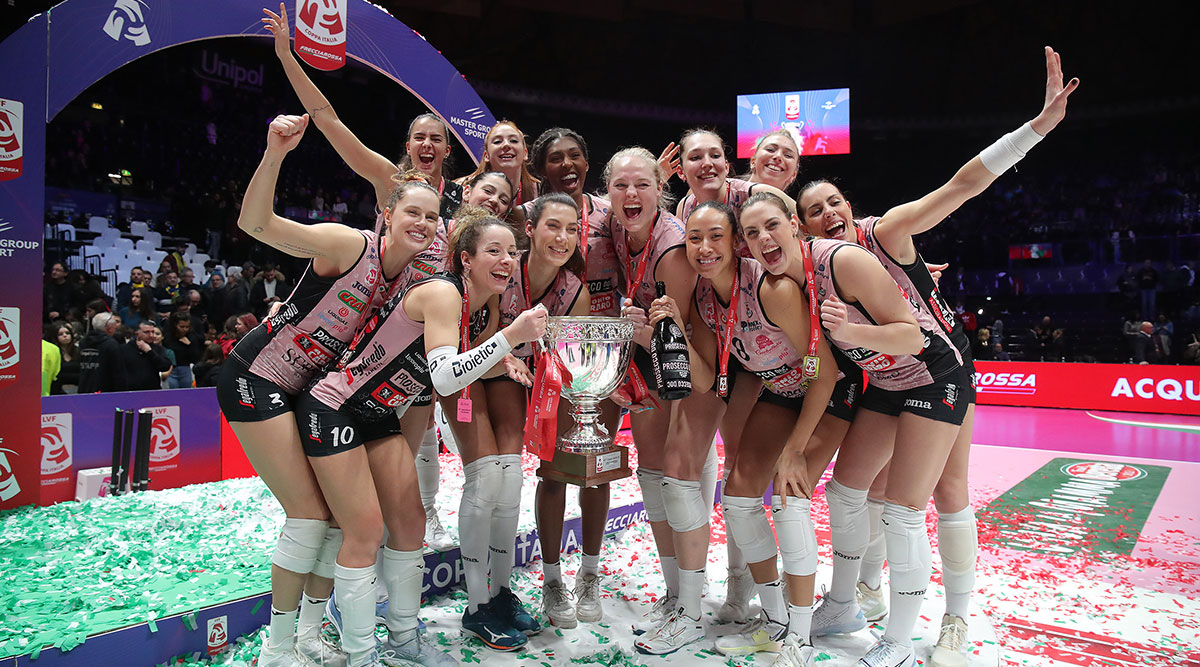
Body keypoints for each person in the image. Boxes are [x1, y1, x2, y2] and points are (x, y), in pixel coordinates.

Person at [788, 47, 1077, 667]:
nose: (829, 214)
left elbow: (963, 185)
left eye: (835, 202)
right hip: (887, 378)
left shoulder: (885, 232)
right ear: (802, 229)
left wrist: (1035, 129)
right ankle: (849, 600)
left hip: (941, 367)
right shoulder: (806, 275)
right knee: (849, 492)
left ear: (851, 206)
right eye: (815, 211)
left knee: (946, 493)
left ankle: (954, 620)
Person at [215, 113, 434, 667]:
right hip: (256, 377)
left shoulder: (413, 284)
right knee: (310, 515)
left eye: (433, 217)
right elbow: (255, 224)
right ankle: (276, 649)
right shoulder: (346, 245)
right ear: (387, 214)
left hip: (306, 393)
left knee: (337, 519)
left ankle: (310, 637)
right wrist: (275, 152)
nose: (424, 223)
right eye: (412, 211)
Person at [294, 213, 545, 664]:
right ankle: (359, 651)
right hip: (334, 407)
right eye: (494, 250)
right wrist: (511, 338)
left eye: (512, 252)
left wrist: (503, 357)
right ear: (464, 259)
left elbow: (458, 365)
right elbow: (447, 379)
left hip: (377, 414)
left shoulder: (478, 305)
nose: (507, 260)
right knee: (365, 532)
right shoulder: (445, 292)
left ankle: (404, 640)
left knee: (409, 528)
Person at [648, 200, 837, 659]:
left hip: (829, 391)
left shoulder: (772, 289)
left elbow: (821, 366)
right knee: (737, 499)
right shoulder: (705, 298)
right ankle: (774, 621)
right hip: (783, 390)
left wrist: (794, 448)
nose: (705, 247)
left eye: (716, 236)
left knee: (788, 501)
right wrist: (673, 328)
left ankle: (801, 636)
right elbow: (707, 379)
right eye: (694, 238)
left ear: (736, 242)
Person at [265, 4, 463, 220]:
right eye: (419, 137)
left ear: (447, 151)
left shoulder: (461, 196)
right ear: (408, 147)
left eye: (435, 139)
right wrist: (285, 55)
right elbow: (327, 120)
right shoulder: (391, 181)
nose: (426, 144)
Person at [78, 312, 128, 393]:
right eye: (114, 327)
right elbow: (118, 373)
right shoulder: (112, 344)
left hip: (85, 388)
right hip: (106, 393)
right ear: (109, 328)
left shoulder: (83, 342)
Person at [121, 321, 173, 391]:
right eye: (146, 332)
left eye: (152, 332)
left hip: (153, 391)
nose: (151, 335)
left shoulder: (158, 348)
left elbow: (165, 366)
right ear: (137, 334)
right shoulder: (124, 349)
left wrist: (150, 352)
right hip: (131, 391)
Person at [162, 311, 203, 389]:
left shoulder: (191, 337)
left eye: (187, 327)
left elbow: (196, 357)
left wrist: (189, 345)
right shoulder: (168, 338)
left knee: (187, 394)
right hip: (171, 370)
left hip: (185, 369)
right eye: (182, 326)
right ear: (175, 325)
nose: (185, 329)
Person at [49, 321, 81, 394]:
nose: (65, 335)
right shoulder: (52, 352)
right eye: (60, 334)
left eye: (67, 333)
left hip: (77, 390)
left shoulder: (78, 351)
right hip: (56, 391)